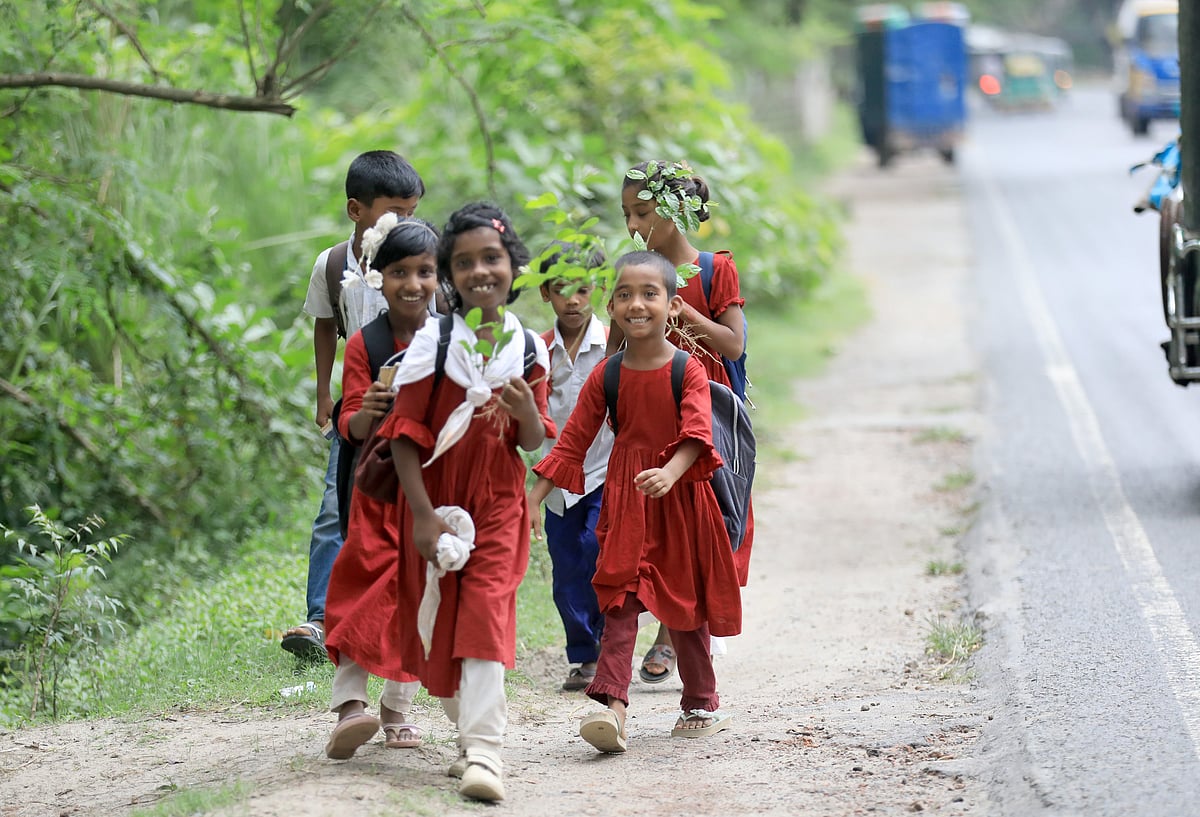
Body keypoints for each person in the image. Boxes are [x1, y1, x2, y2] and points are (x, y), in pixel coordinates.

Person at [529, 250, 742, 754]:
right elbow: (573, 439)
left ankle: (700, 702)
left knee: (684, 606)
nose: (636, 303)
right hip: (627, 500)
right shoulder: (608, 373)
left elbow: (696, 433)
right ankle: (613, 708)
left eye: (650, 293)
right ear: (613, 305)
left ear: (672, 306)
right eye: (625, 294)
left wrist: (669, 472)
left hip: (681, 500)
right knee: (620, 598)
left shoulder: (687, 370)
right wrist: (534, 496)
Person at [377, 202, 554, 802]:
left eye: (492, 259)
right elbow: (404, 434)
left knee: (484, 610)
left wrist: (527, 411)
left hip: (500, 501)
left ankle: (485, 753)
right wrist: (423, 516)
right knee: (437, 623)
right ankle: (465, 731)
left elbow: (531, 442)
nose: (480, 271)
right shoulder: (434, 343)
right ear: (450, 273)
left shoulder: (528, 346)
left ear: (513, 265)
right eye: (464, 262)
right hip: (436, 499)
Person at [614, 160, 753, 685]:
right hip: (651, 423)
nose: (633, 226)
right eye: (627, 213)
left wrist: (685, 314)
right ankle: (660, 631)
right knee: (654, 530)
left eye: (643, 212)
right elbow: (615, 350)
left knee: (705, 526)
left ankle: (671, 639)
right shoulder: (633, 276)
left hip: (709, 420)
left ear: (672, 211)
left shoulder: (716, 270)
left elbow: (733, 344)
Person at [282, 151, 425, 659]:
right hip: (358, 407)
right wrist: (324, 390)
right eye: (393, 213)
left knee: (412, 505)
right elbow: (325, 324)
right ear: (355, 211)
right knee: (335, 505)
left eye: (411, 213)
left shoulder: (421, 263)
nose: (403, 223)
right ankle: (320, 617)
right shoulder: (333, 263)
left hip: (419, 407)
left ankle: (409, 610)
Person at [321, 216, 440, 760]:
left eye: (424, 271)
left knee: (420, 595)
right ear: (375, 275)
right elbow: (347, 423)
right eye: (398, 272)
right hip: (378, 487)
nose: (412, 284)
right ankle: (349, 703)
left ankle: (396, 708)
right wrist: (367, 410)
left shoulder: (452, 338)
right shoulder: (364, 345)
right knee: (362, 584)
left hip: (435, 487)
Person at [529, 244, 611, 692]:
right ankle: (584, 652)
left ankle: (608, 646)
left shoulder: (613, 344)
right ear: (545, 292)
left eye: (582, 289)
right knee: (567, 568)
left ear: (597, 288)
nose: (573, 300)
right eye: (562, 290)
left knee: (602, 555)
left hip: (608, 472)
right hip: (557, 480)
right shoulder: (538, 352)